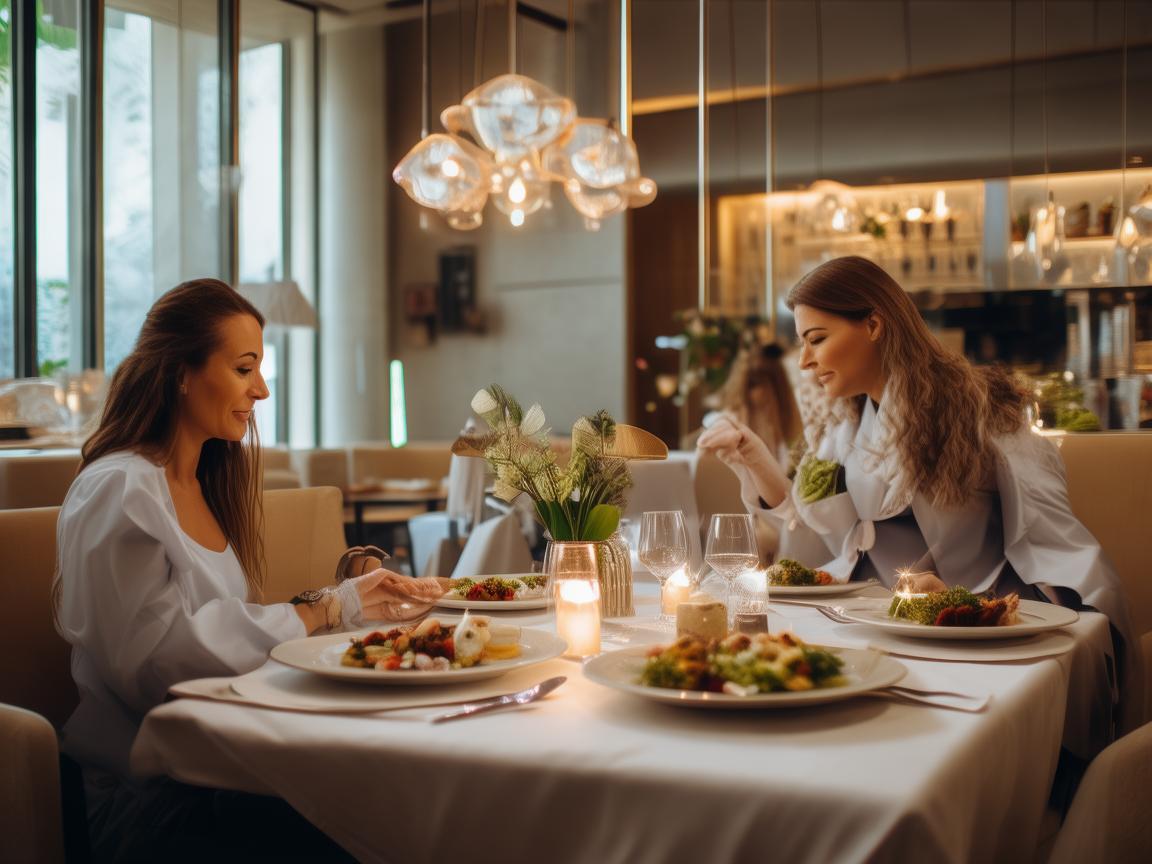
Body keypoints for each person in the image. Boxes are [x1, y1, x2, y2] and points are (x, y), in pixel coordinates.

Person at [54, 278, 444, 861]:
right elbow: (155, 666)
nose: (260, 390)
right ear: (181, 372)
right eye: (243, 369)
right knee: (370, 818)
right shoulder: (121, 489)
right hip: (150, 793)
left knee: (394, 795)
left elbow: (220, 629)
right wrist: (324, 610)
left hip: (219, 759)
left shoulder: (202, 485)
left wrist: (354, 601)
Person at [698, 255, 1141, 731]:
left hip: (968, 635)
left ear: (873, 324)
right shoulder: (844, 425)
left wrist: (963, 602)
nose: (805, 362)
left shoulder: (976, 408)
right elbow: (812, 528)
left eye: (817, 340)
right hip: (872, 625)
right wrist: (755, 459)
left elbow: (1046, 530)